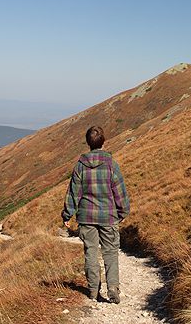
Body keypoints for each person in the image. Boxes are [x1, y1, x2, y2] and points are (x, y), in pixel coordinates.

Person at [61, 125, 130, 304]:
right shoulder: (111, 165)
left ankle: (93, 290)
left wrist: (67, 214)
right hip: (108, 216)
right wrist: (122, 211)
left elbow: (73, 192)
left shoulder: (80, 166)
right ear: (103, 142)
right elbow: (119, 191)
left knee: (90, 252)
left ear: (87, 143)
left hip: (86, 217)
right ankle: (113, 287)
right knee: (111, 252)